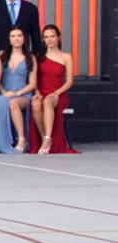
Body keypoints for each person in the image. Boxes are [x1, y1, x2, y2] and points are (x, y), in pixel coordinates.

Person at [32, 25, 78, 155]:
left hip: (59, 93)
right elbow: (34, 79)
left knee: (48, 102)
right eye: (46, 37)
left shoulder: (66, 57)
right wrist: (37, 92)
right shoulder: (38, 57)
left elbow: (69, 81)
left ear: (58, 38)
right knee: (35, 103)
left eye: (52, 36)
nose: (50, 40)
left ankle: (47, 139)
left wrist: (57, 93)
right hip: (42, 91)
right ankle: (44, 137)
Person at [0, 28, 36, 154]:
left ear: (24, 38)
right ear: (9, 39)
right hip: (4, 91)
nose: (16, 39)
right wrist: (3, 92)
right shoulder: (1, 55)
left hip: (23, 93)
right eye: (13, 36)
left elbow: (33, 83)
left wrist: (17, 93)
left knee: (13, 103)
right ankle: (2, 141)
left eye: (19, 35)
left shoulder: (30, 57)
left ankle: (22, 139)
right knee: (1, 101)